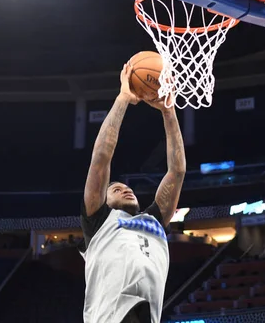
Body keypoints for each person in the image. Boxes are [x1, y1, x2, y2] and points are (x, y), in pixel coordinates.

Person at [79, 62, 186, 323]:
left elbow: (177, 172)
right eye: (115, 188)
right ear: (102, 200)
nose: (125, 189)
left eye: (127, 188)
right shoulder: (98, 220)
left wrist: (168, 110)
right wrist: (123, 98)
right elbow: (101, 157)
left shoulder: (154, 219)